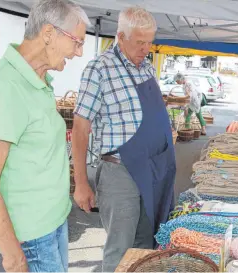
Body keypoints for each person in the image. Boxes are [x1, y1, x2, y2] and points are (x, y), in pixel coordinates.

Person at [72, 7, 176, 272]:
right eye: (140, 42)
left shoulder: (147, 68)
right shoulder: (99, 69)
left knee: (145, 243)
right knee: (120, 247)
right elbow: (81, 128)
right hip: (120, 172)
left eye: (150, 41)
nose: (146, 48)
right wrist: (81, 183)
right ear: (120, 36)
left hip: (153, 169)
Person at [0, 0, 90, 271]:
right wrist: (13, 256)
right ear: (49, 34)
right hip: (31, 236)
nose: (79, 52)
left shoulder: (38, 79)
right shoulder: (5, 85)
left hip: (53, 222)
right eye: (77, 42)